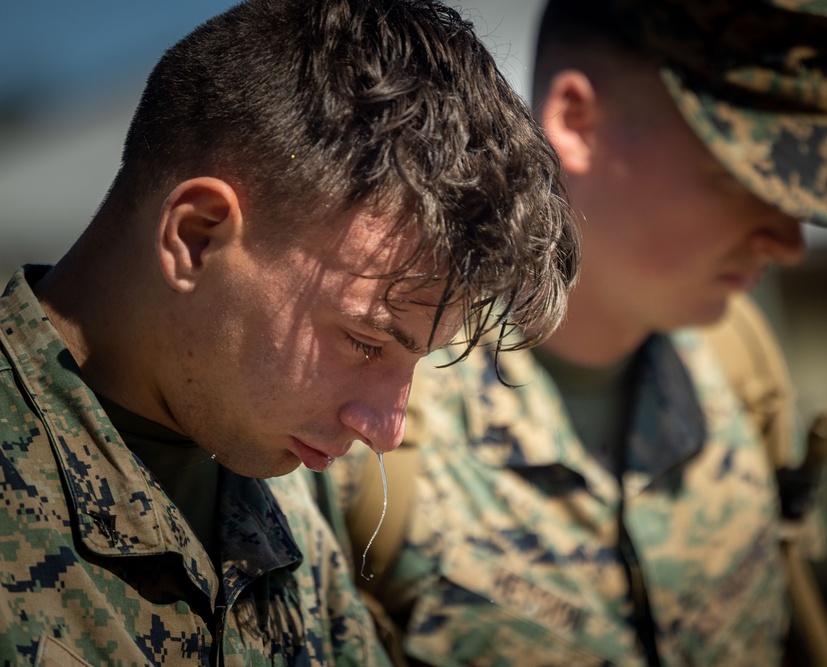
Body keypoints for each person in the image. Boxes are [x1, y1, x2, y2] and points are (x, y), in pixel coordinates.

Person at [0, 0, 580, 663]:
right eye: (365, 341)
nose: (386, 429)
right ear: (197, 237)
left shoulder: (284, 524)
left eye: (417, 359)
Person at [332, 0, 827, 665]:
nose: (788, 241)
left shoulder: (736, 367)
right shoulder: (368, 411)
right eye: (736, 176)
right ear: (579, 123)